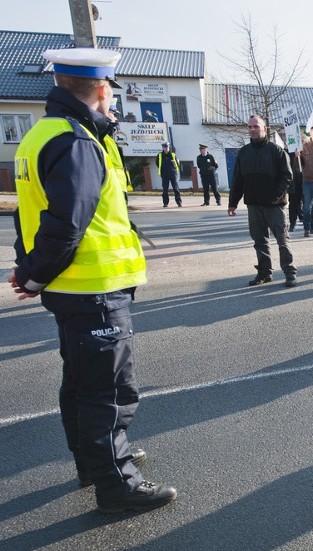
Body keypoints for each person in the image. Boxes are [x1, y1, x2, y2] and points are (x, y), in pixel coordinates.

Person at [9, 47, 176, 513]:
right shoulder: (77, 141)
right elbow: (65, 223)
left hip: (75, 289)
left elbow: (32, 212)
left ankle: (94, 462)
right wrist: (35, 274)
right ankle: (116, 483)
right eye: (111, 92)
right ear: (102, 89)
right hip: (93, 289)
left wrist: (28, 268)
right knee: (108, 389)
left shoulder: (42, 134)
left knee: (80, 383)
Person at [228, 115, 297, 287]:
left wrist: (276, 195)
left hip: (275, 206)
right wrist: (232, 203)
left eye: (256, 126)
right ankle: (264, 273)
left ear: (265, 128)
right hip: (253, 205)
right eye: (250, 127)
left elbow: (287, 177)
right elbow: (238, 180)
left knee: (283, 241)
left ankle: (289, 273)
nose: (252, 129)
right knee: (259, 242)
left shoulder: (277, 151)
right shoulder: (244, 153)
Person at [157, 142, 182, 207]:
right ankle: (165, 203)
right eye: (164, 147)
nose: (166, 149)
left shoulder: (173, 155)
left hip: (173, 174)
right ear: (162, 148)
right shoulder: (160, 155)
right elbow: (157, 163)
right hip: (164, 174)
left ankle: (179, 202)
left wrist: (174, 170)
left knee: (176, 189)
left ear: (169, 147)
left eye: (167, 147)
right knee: (165, 189)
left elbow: (177, 163)